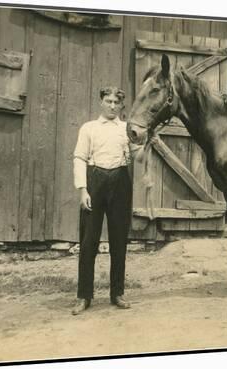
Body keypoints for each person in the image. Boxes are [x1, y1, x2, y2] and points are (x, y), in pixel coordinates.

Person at [71, 86, 133, 315]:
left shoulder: (127, 129)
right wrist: (82, 190)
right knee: (88, 242)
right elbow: (79, 158)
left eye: (117, 102)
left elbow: (138, 152)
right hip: (94, 181)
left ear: (121, 105)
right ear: (101, 102)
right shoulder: (89, 128)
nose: (112, 106)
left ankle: (117, 293)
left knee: (119, 240)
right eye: (108, 101)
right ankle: (83, 296)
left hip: (120, 181)